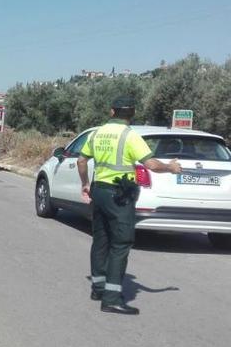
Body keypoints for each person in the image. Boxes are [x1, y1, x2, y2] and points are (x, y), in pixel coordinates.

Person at [77, 96, 182, 315]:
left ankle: (98, 288)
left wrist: (85, 184)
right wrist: (171, 167)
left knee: (101, 239)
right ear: (131, 114)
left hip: (99, 191)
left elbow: (81, 160)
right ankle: (112, 298)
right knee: (121, 243)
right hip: (119, 196)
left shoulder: (97, 133)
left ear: (112, 112)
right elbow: (151, 164)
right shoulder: (130, 136)